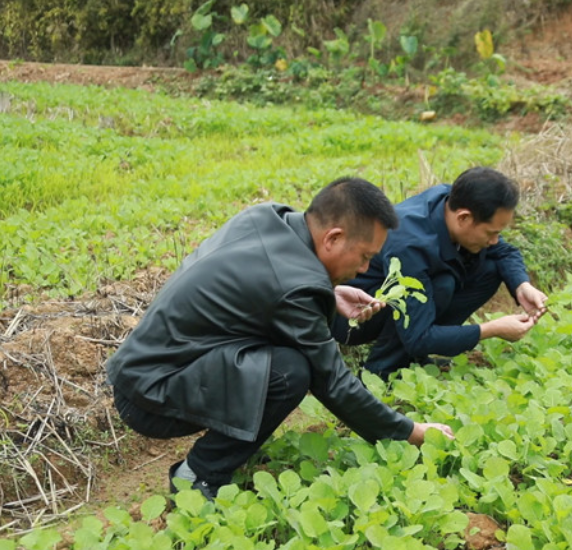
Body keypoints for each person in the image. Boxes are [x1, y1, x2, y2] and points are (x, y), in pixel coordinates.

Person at [106, 177, 454, 500]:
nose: (365, 269)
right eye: (364, 257)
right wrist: (409, 431)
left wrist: (328, 294)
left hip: (144, 368)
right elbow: (332, 382)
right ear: (332, 238)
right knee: (290, 372)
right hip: (150, 397)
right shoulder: (296, 288)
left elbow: (262, 284)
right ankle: (197, 476)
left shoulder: (268, 216)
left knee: (287, 360)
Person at [332, 167, 549, 379]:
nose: (494, 240)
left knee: (490, 269)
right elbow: (417, 336)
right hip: (355, 312)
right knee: (442, 284)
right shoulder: (410, 245)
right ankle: (380, 373)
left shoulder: (452, 202)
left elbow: (503, 251)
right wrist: (489, 329)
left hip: (397, 295)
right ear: (464, 218)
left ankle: (412, 359)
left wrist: (522, 286)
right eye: (491, 233)